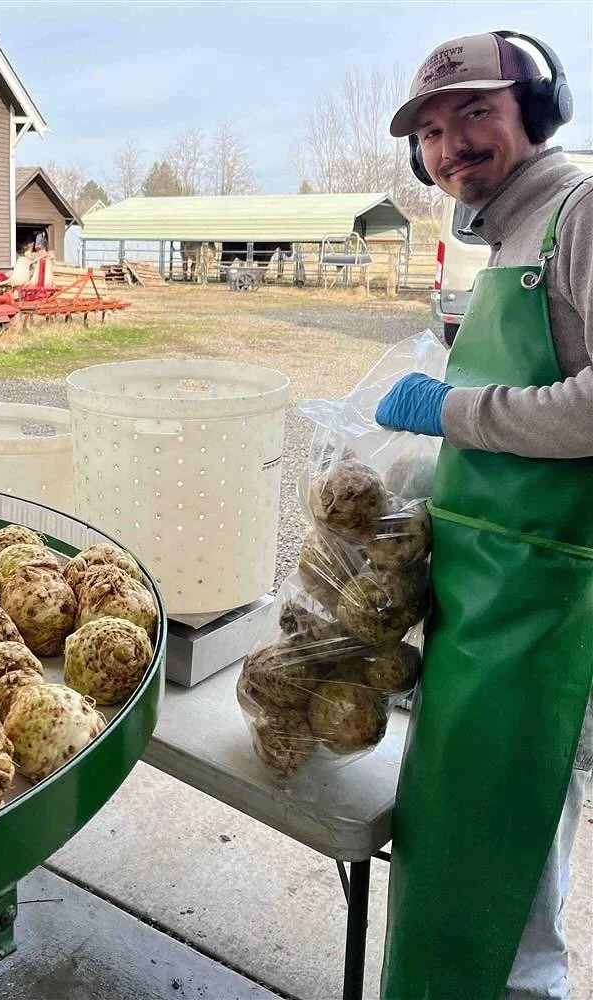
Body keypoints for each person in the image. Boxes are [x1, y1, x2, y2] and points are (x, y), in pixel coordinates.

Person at [373, 31, 593, 1000]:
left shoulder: (579, 211)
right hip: (483, 598)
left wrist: (448, 409)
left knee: (512, 849)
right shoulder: (509, 233)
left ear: (533, 111)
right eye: (428, 130)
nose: (450, 144)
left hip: (552, 600)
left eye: (473, 111)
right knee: (465, 836)